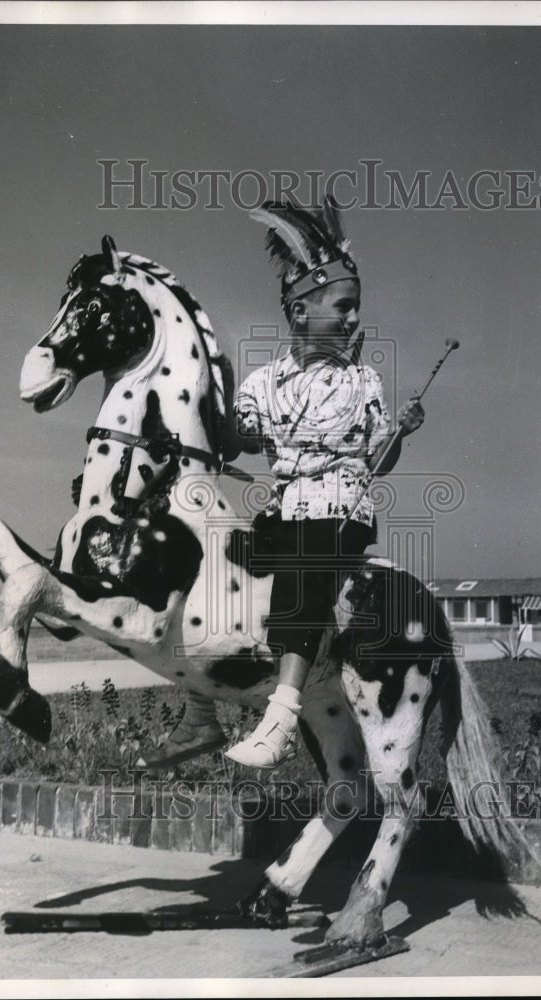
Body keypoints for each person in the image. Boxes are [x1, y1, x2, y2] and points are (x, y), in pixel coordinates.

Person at [139, 199, 424, 770]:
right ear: (299, 311)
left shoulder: (362, 380)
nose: (352, 319)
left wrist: (403, 433)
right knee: (214, 570)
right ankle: (199, 715)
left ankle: (283, 714)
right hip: (285, 509)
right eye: (342, 307)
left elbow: (377, 459)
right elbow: (234, 438)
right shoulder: (264, 384)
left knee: (305, 563)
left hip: (339, 513)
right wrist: (207, 393)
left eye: (354, 309)